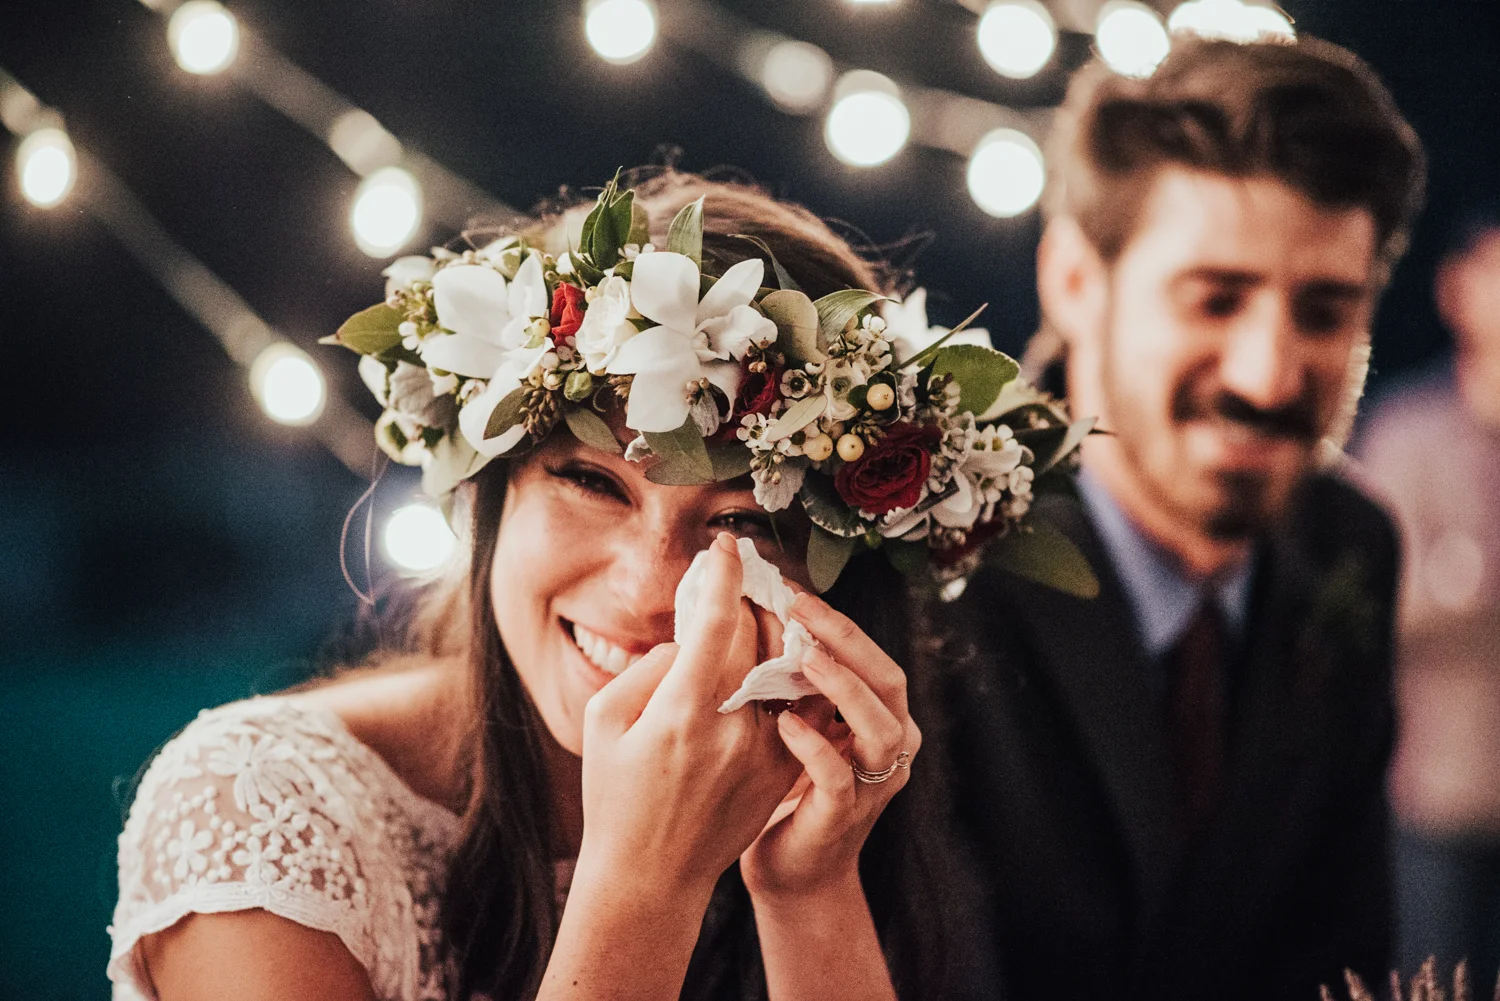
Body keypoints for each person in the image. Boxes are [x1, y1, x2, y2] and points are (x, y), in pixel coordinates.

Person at [106, 170, 1054, 1001]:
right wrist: (646, 886)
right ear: (490, 499)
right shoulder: (259, 815)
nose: (649, 587)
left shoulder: (865, 819)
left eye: (742, 522)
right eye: (591, 482)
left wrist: (809, 892)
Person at [928, 34, 1426, 1000]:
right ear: (1075, 280)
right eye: (1215, 299)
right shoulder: (930, 547)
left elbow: (1346, 952)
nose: (1270, 374)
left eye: (1324, 312)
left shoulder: (1351, 544)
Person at [1355, 210, 1500, 991]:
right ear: (1458, 289)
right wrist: (1468, 585)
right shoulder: (1408, 432)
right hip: (1435, 792)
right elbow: (1374, 603)